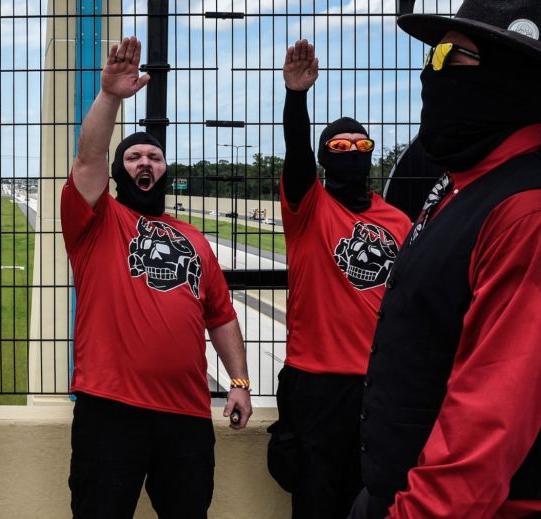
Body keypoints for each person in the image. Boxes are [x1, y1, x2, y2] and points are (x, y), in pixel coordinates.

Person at [351, 0, 541, 518]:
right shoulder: (466, 186)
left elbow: (488, 424)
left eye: (450, 55)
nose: (430, 72)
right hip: (404, 493)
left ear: (510, 76)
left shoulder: (540, 213)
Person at [61, 36, 253, 519]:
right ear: (118, 172)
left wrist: (240, 382)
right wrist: (109, 96)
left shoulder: (194, 239)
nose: (144, 163)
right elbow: (87, 161)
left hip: (185, 415)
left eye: (154, 157)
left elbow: (223, 318)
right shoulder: (96, 221)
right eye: (133, 157)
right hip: (110, 410)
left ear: (166, 170)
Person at [272, 39, 411, 518]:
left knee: (376, 499)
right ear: (324, 157)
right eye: (338, 147)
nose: (351, 153)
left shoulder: (398, 222)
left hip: (381, 384)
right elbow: (295, 154)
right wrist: (296, 96)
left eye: (361, 146)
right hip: (316, 382)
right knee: (316, 499)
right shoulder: (308, 207)